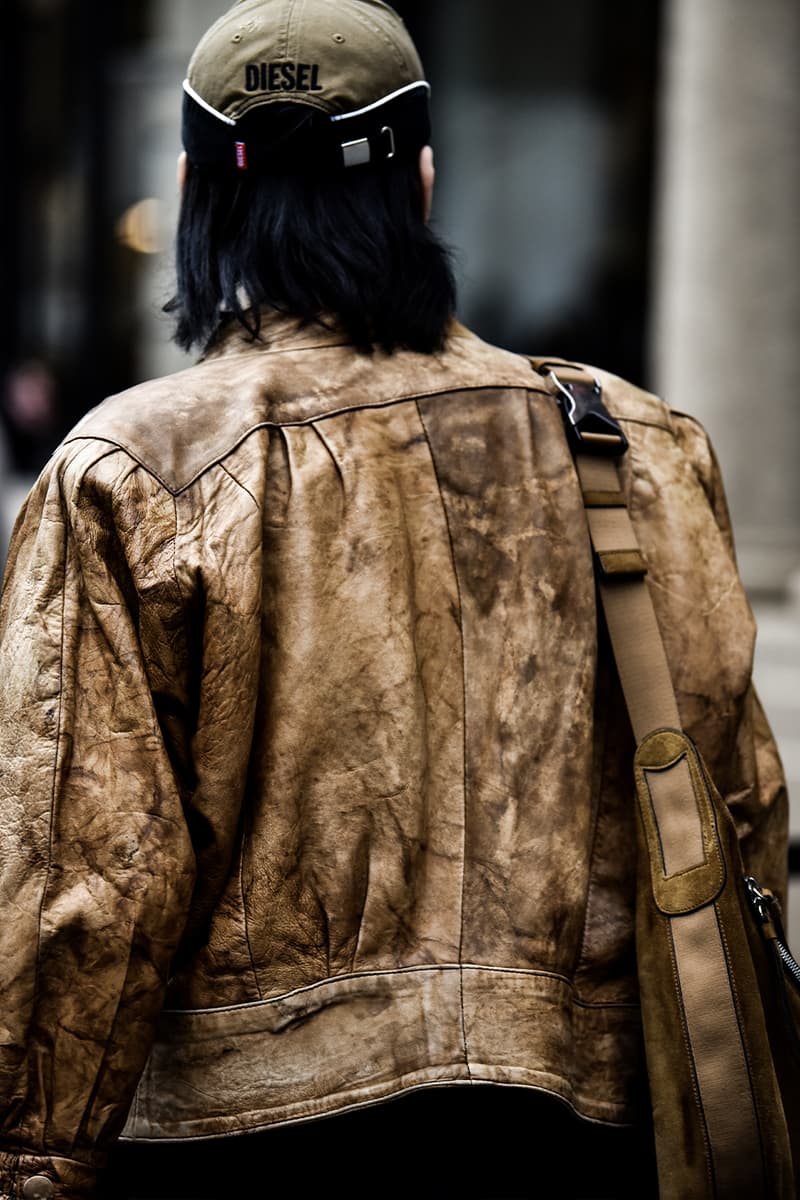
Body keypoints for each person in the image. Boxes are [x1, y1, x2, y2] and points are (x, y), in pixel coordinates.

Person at [0, 2, 788, 1198]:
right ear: (419, 181)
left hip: (247, 1141)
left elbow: (80, 883)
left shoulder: (133, 468)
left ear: (190, 192)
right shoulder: (637, 445)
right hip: (589, 1133)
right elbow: (740, 810)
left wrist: (37, 1163)